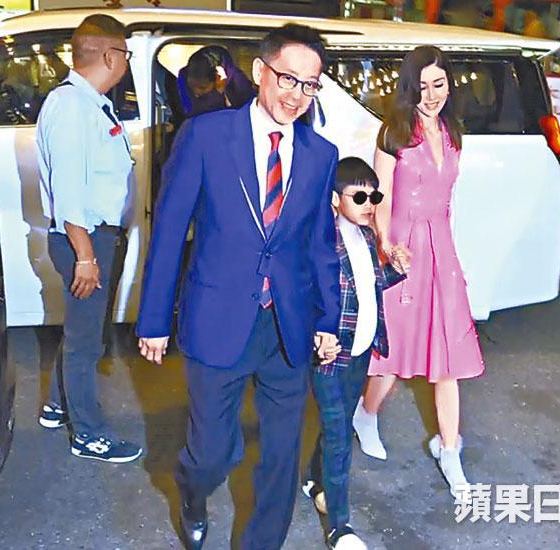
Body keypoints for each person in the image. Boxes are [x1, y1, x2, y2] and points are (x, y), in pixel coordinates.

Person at [137, 24, 341, 550]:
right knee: (210, 455)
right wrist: (154, 319)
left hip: (288, 325)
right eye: (288, 79)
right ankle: (192, 492)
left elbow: (320, 244)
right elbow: (168, 230)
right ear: (259, 71)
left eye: (310, 85)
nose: (297, 95)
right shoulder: (205, 136)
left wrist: (328, 318)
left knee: (281, 458)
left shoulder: (321, 154)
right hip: (217, 317)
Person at [352, 46, 485, 501]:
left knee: (448, 358)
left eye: (439, 84)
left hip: (441, 250)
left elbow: (447, 200)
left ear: (450, 85)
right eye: (422, 86)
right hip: (403, 251)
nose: (431, 95)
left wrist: (450, 254)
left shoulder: (452, 132)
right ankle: (366, 413)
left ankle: (450, 450)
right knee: (393, 357)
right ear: (409, 88)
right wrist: (387, 245)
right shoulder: (394, 133)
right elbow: (381, 197)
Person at [35, 14, 141, 463]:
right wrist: (85, 256)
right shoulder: (71, 107)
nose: (126, 64)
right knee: (84, 343)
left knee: (83, 331)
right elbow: (69, 193)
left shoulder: (89, 102)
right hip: (85, 240)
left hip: (94, 238)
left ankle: (59, 404)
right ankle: (88, 435)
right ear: (111, 55)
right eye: (126, 55)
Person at [302, 157, 407, 550]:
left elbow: (370, 285)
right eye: (358, 197)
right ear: (335, 199)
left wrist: (398, 269)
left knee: (340, 424)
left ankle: (313, 480)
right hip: (330, 356)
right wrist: (317, 335)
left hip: (360, 351)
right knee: (339, 436)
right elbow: (307, 294)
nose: (369, 204)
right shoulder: (322, 242)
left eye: (374, 197)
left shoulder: (365, 236)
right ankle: (339, 527)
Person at [177, 45, 254, 119]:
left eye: (202, 88)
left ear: (218, 77)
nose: (196, 93)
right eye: (191, 87)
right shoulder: (183, 76)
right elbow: (190, 114)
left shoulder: (237, 81)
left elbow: (249, 112)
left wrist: (218, 92)